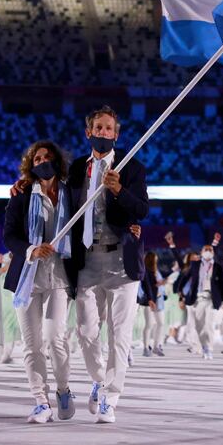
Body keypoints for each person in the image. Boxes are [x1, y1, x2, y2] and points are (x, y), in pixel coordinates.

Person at [64, 105, 149, 424]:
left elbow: (142, 209)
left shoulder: (132, 167)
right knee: (86, 331)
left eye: (108, 128)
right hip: (86, 259)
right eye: (97, 128)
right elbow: (61, 205)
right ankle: (99, 380)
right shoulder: (75, 169)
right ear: (89, 132)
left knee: (120, 334)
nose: (103, 133)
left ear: (117, 134)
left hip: (121, 261)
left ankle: (111, 398)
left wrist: (119, 190)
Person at [3, 140, 77, 423]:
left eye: (46, 157)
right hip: (28, 277)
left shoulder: (71, 193)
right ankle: (40, 401)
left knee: (55, 339)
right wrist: (32, 249)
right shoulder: (21, 195)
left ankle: (63, 390)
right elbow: (8, 235)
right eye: (36, 159)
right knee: (32, 344)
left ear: (56, 161)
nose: (42, 161)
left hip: (59, 276)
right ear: (30, 166)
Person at [175, 233, 223, 360]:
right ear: (201, 252)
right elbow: (184, 278)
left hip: (211, 298)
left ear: (214, 253)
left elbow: (222, 285)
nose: (208, 252)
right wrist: (180, 292)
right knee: (199, 326)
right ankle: (204, 345)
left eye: (210, 250)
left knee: (209, 324)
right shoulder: (195, 264)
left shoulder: (218, 267)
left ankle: (208, 348)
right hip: (198, 298)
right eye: (206, 250)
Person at [141, 234, 181, 357]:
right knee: (149, 324)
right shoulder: (145, 271)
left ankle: (156, 346)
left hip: (158, 301)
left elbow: (167, 274)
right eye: (155, 259)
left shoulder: (156, 271)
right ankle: (146, 346)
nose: (157, 261)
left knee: (160, 323)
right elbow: (146, 286)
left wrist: (163, 281)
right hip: (149, 301)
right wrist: (149, 299)